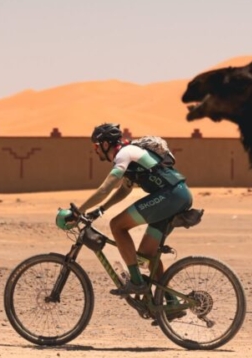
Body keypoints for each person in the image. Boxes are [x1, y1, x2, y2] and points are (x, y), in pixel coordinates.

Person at [73, 122, 193, 296]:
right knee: (148, 255)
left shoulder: (124, 154)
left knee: (117, 226)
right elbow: (124, 190)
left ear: (105, 144)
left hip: (171, 196)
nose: (95, 150)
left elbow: (105, 189)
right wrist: (100, 210)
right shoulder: (130, 154)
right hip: (178, 195)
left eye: (96, 146)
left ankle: (137, 283)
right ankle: (172, 302)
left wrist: (78, 211)